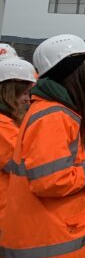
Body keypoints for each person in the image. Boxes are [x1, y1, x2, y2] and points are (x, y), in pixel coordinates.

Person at [0, 34, 85, 258]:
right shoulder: (54, 115)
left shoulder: (52, 111)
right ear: (70, 69)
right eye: (84, 63)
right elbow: (49, 181)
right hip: (44, 253)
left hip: (45, 243)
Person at [0, 56, 37, 219]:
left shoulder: (8, 121)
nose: (27, 99)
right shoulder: (3, 126)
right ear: (9, 92)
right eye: (24, 93)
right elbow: (28, 165)